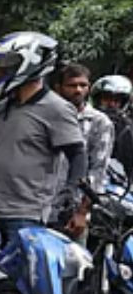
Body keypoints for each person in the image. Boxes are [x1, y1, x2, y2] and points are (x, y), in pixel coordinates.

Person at [0, 32, 87, 239]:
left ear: (27, 65)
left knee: (21, 271)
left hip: (26, 214)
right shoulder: (0, 109)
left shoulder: (56, 109)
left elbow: (77, 154)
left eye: (5, 68)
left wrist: (71, 191)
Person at [52, 63, 113, 209]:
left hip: (73, 205)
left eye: (83, 85)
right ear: (58, 88)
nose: (78, 90)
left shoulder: (99, 122)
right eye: (71, 85)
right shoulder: (46, 117)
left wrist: (82, 211)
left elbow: (98, 169)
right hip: (38, 202)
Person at [93, 74, 133, 176]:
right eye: (106, 99)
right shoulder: (85, 121)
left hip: (119, 183)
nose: (111, 104)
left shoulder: (128, 128)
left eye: (116, 100)